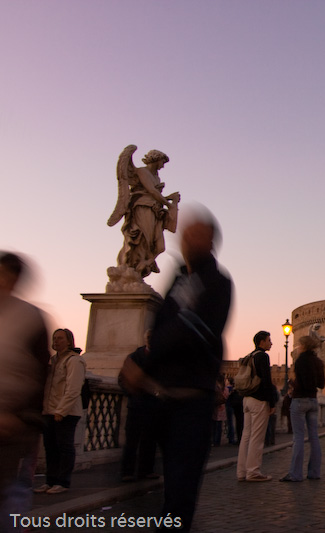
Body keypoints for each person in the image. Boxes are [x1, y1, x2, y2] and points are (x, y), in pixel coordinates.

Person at [123, 209, 232, 531]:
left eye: (193, 235)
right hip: (159, 400)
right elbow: (163, 322)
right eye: (183, 234)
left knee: (180, 491)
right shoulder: (180, 275)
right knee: (147, 487)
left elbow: (195, 329)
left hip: (190, 401)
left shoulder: (218, 283)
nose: (184, 240)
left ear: (210, 240)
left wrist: (149, 358)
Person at [0, 252, 49, 530]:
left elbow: (39, 376)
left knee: (9, 503)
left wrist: (19, 418)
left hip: (11, 428)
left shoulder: (30, 318)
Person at [107, 145, 180, 280]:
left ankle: (143, 264)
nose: (163, 166)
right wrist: (168, 203)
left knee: (154, 244)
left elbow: (155, 194)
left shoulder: (156, 178)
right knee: (142, 238)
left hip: (154, 211)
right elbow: (151, 191)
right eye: (162, 162)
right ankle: (130, 267)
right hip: (142, 208)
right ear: (156, 159)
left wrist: (169, 198)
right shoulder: (141, 172)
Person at [36, 328, 86, 495]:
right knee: (50, 447)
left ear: (69, 341)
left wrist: (61, 411)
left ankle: (63, 482)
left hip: (67, 412)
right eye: (54, 338)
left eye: (60, 338)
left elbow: (73, 389)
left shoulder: (74, 361)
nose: (56, 341)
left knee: (64, 447)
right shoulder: (54, 360)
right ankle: (50, 481)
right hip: (50, 410)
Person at [280, 336, 325, 482]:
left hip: (299, 401)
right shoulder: (318, 362)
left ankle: (295, 474)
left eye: (299, 344)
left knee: (298, 437)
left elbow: (303, 384)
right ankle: (314, 472)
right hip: (313, 401)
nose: (298, 347)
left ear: (304, 346)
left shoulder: (300, 361)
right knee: (314, 437)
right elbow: (322, 384)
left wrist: (293, 383)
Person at [236, 331, 277, 482]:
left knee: (246, 436)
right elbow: (266, 381)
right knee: (257, 437)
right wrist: (272, 403)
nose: (271, 343)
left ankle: (241, 472)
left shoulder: (249, 356)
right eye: (269, 340)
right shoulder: (262, 356)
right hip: (259, 400)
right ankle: (253, 471)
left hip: (247, 399)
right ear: (261, 342)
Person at [119, 331, 158, 482]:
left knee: (150, 440)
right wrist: (132, 394)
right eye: (148, 337)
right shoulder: (134, 357)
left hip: (153, 406)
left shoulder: (161, 358)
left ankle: (146, 470)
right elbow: (122, 379)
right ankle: (127, 471)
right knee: (132, 440)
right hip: (137, 405)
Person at [224, 378, 242, 445]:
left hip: (234, 407)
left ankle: (235, 438)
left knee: (235, 423)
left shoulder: (232, 390)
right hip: (239, 407)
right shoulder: (240, 390)